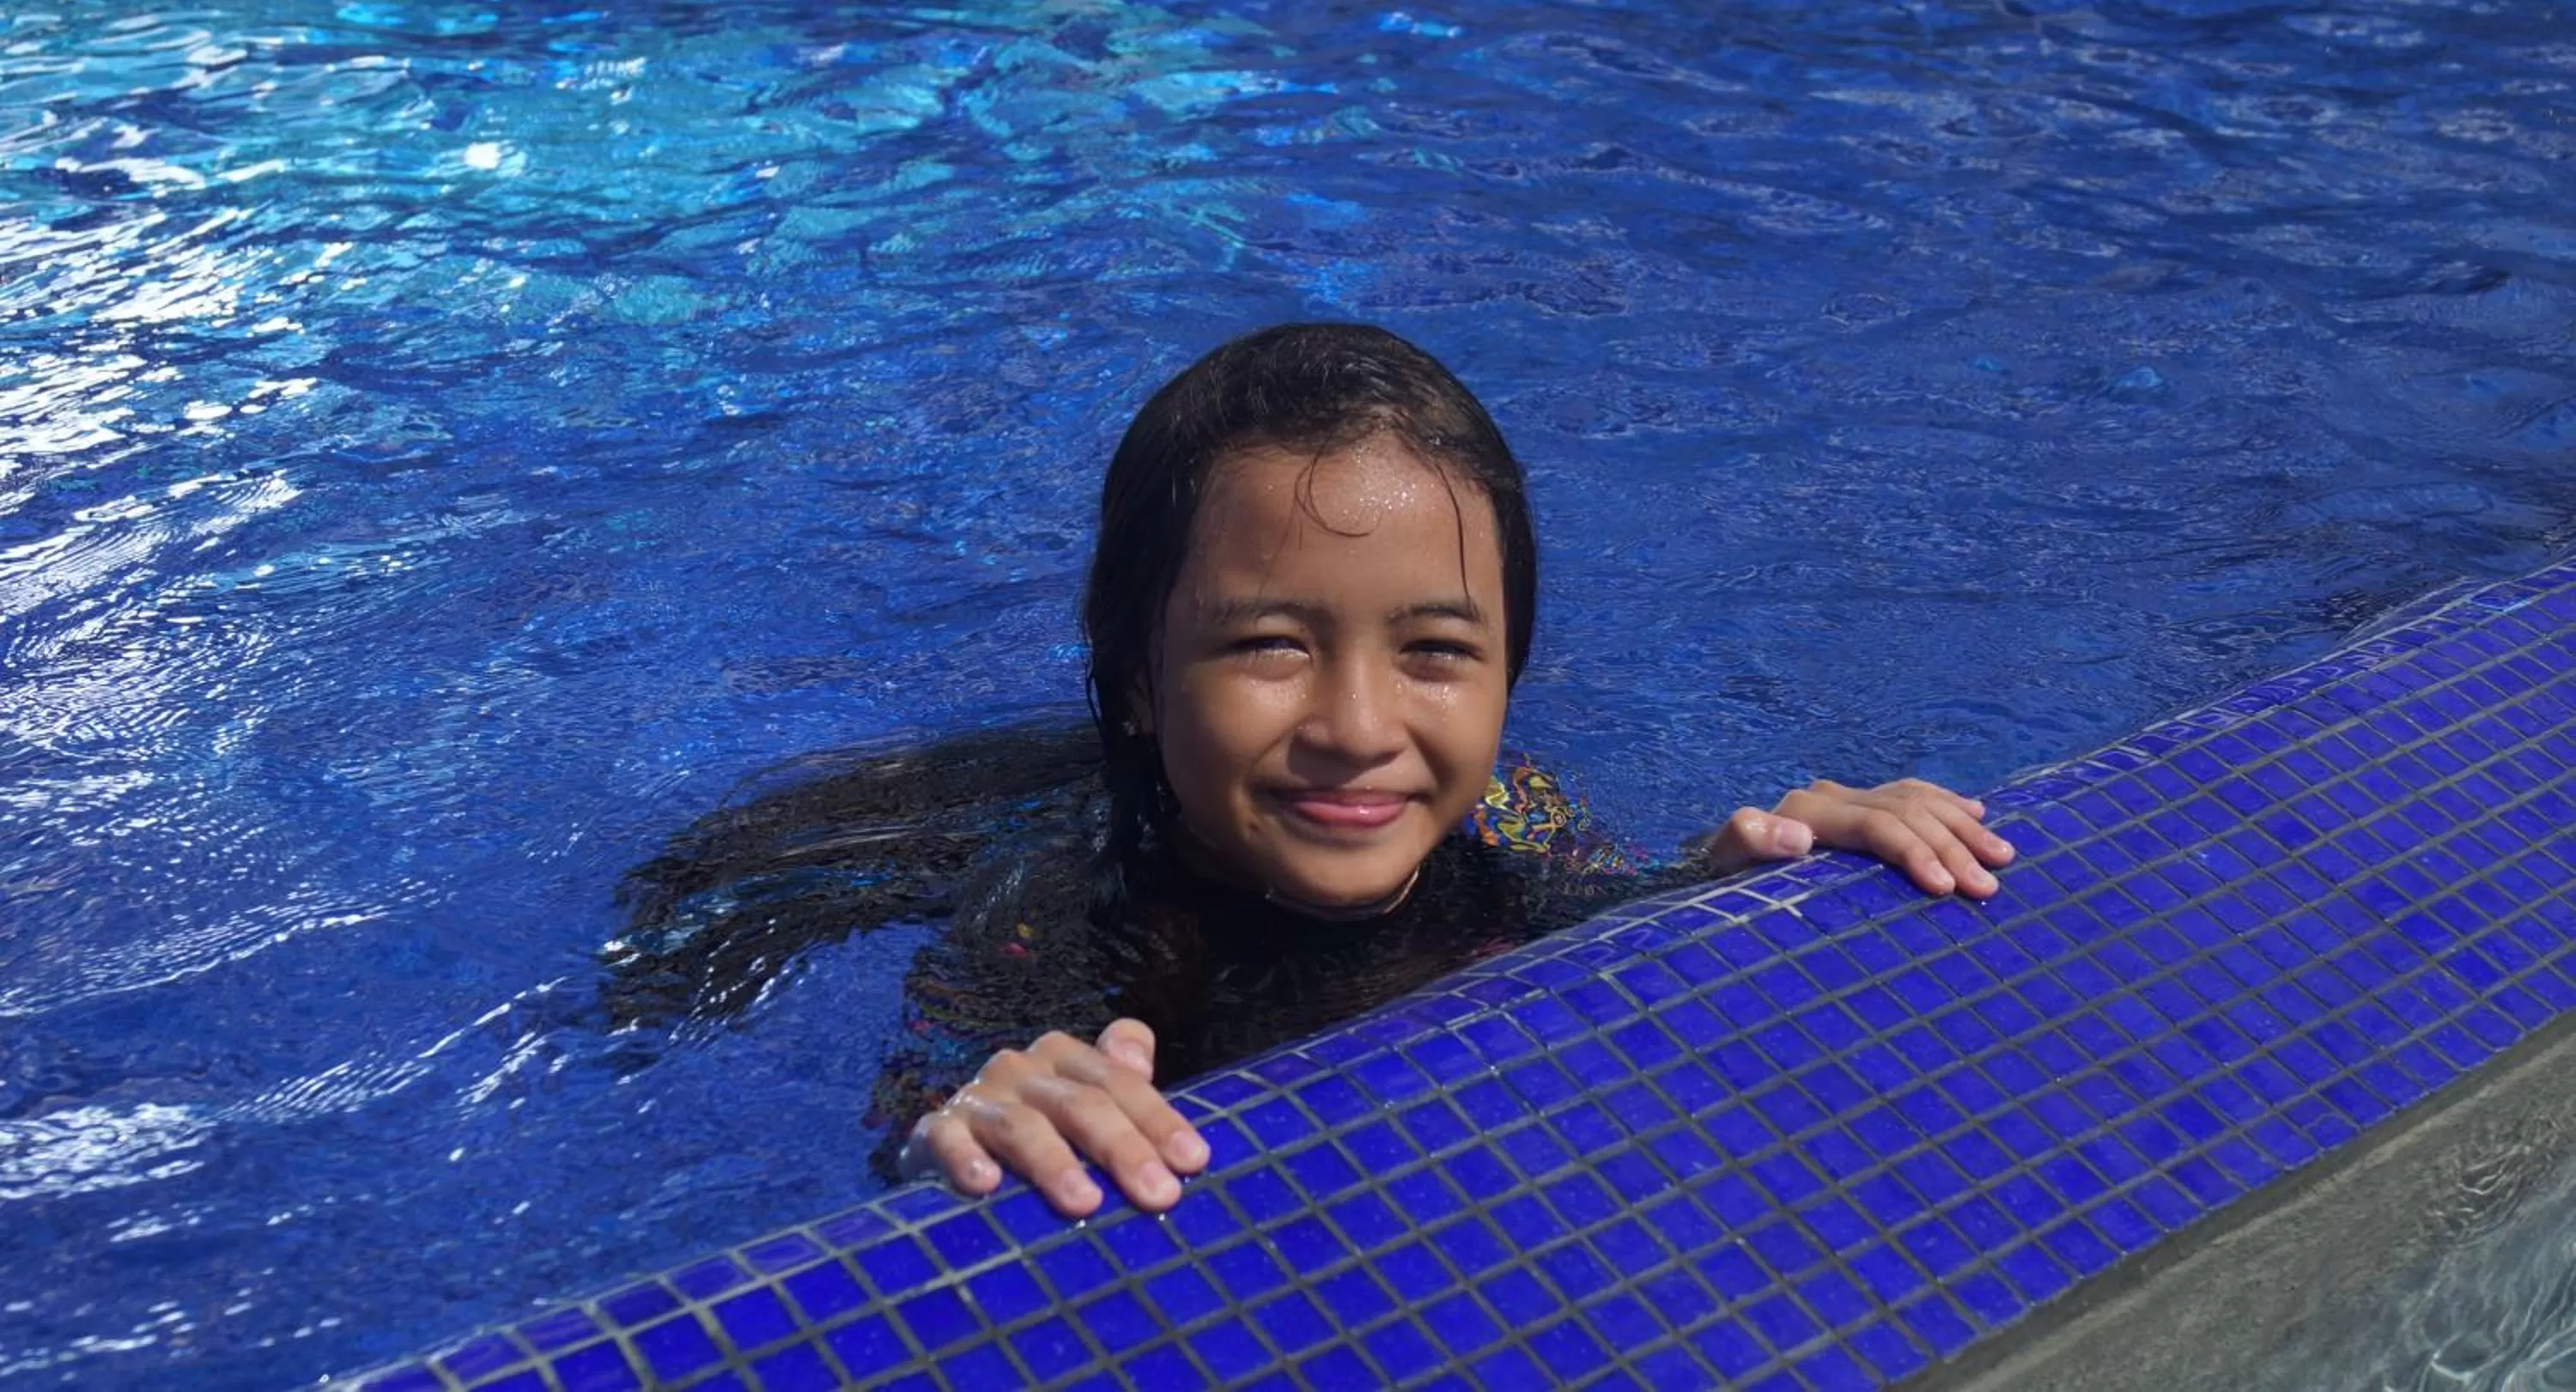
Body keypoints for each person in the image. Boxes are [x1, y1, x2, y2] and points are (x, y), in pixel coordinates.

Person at [607, 323, 2013, 1220]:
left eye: (1437, 651)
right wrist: (963, 1130)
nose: (1358, 727)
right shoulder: (1071, 892)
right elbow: (941, 1088)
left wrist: (1740, 876)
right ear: (1142, 683)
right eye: (1271, 644)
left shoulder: (1506, 807)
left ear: (1510, 669)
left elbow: (1589, 907)